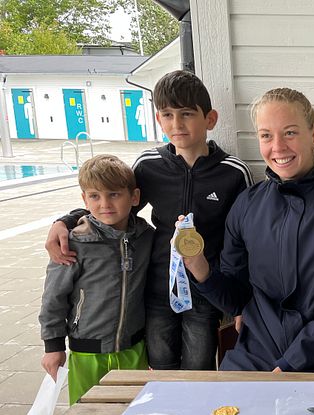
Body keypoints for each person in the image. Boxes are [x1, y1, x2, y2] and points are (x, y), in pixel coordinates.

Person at [45, 70, 253, 370]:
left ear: (210, 119)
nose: (176, 124)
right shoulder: (149, 165)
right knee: (160, 364)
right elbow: (113, 204)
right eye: (167, 114)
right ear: (158, 120)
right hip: (156, 289)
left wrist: (240, 300)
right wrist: (65, 221)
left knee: (199, 367)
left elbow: (246, 240)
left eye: (186, 114)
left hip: (206, 291)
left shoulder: (233, 172)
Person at [180, 87, 314, 375]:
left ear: (313, 136)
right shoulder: (247, 204)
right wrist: (199, 268)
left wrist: (288, 366)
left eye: (289, 133)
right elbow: (237, 297)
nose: (278, 147)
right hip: (255, 357)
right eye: (266, 135)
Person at [39, 155, 153, 404]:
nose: (105, 204)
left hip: (133, 349)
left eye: (114, 194)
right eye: (94, 196)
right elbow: (53, 297)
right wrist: (53, 345)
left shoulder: (146, 237)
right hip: (86, 351)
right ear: (84, 199)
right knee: (87, 410)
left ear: (134, 197)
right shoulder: (73, 242)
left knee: (133, 408)